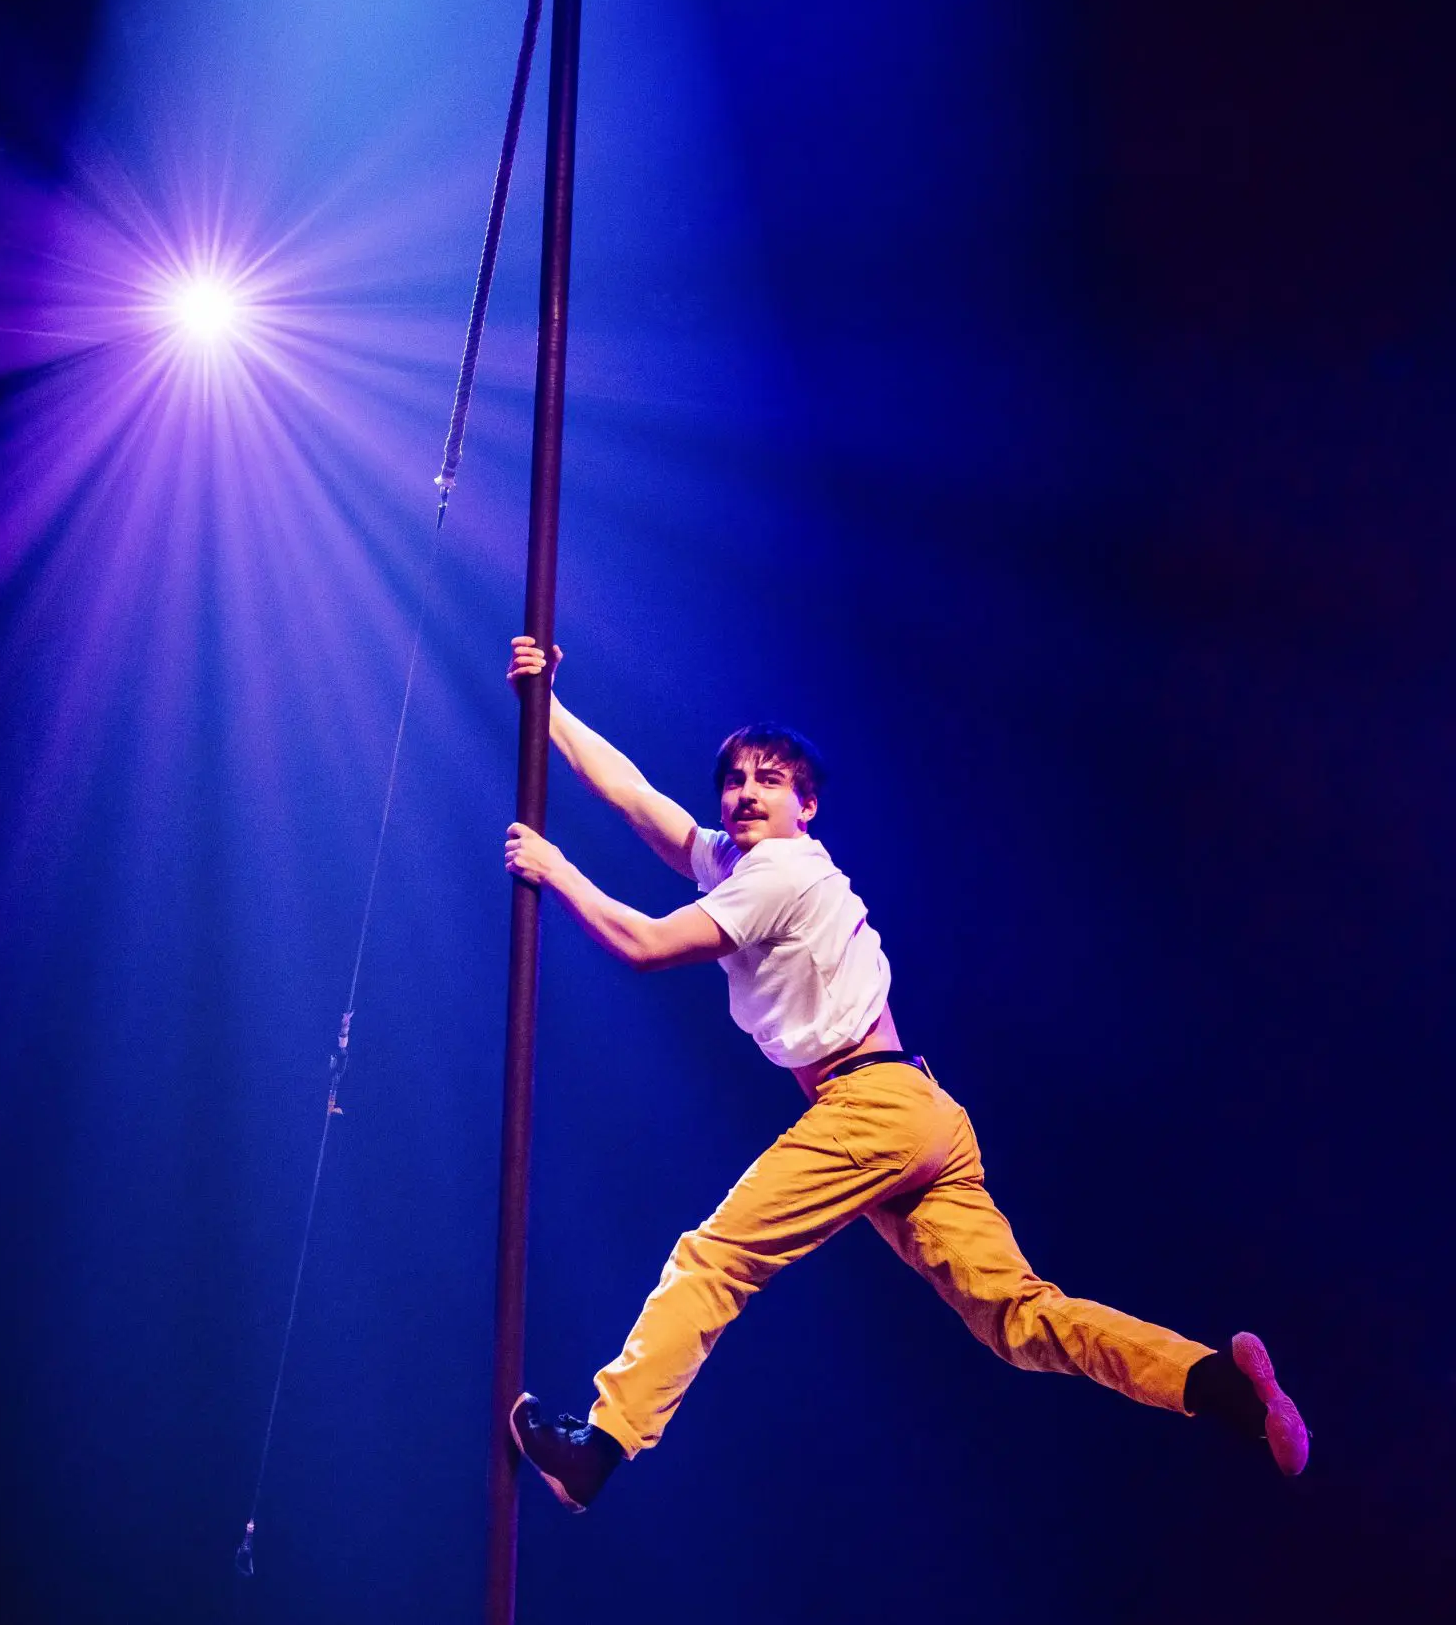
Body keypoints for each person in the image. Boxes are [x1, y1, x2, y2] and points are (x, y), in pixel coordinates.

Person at [497, 636, 1309, 1511]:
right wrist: (549, 707)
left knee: (715, 1258)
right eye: (734, 780)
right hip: (919, 1113)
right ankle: (1216, 1385)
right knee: (1021, 1319)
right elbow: (641, 802)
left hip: (869, 1105)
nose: (743, 794)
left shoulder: (777, 871)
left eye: (767, 780)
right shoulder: (745, 862)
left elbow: (647, 944)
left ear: (806, 805)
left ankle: (601, 1445)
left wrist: (558, 870)